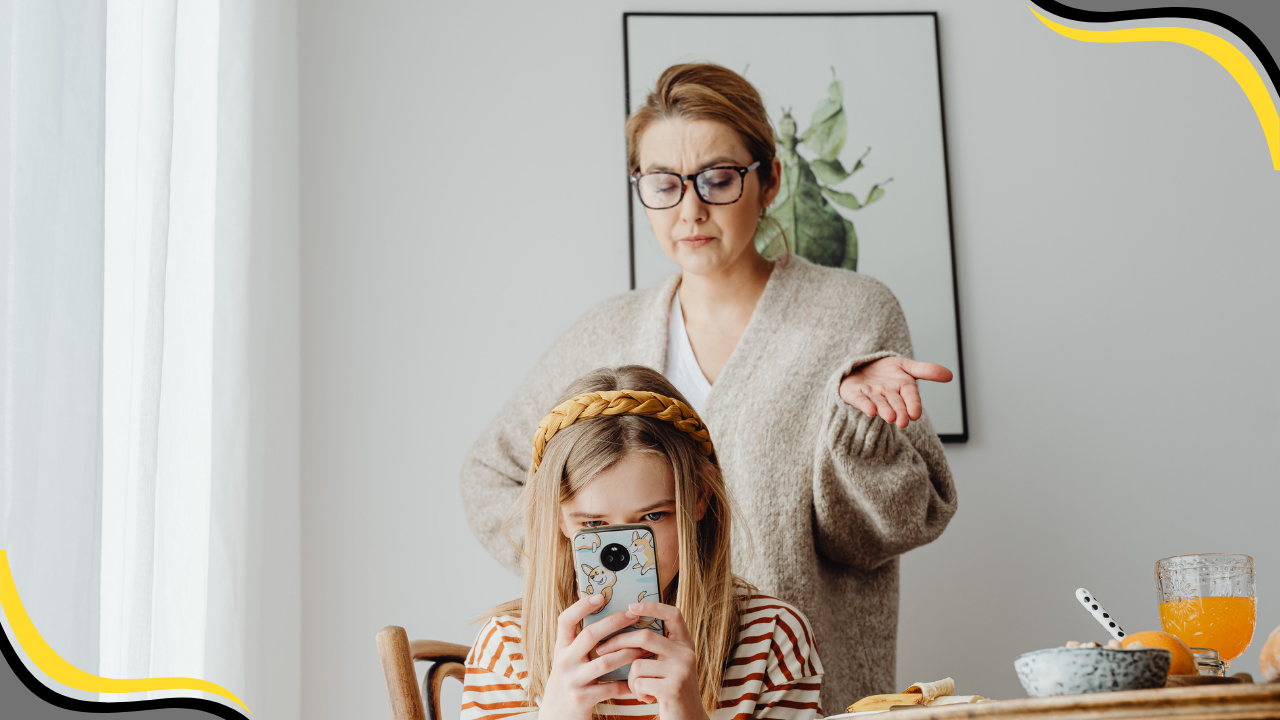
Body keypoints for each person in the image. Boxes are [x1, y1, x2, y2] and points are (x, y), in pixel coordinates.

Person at [461, 63, 957, 708]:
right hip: (618, 696)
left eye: (718, 179)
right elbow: (490, 475)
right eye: (663, 183)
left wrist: (861, 430)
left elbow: (878, 535)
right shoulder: (603, 334)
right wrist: (596, 554)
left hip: (780, 685)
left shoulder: (851, 315)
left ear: (769, 180)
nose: (690, 209)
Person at [461, 366, 823, 720]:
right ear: (559, 518)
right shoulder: (506, 650)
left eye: (653, 516)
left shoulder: (772, 638)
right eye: (593, 524)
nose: (626, 552)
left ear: (701, 497)